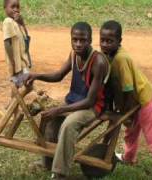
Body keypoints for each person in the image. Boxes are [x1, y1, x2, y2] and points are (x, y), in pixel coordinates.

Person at [25, 22, 110, 180]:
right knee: (50, 121)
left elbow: (90, 101)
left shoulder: (98, 62)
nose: (78, 44)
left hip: (92, 107)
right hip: (73, 101)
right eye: (75, 39)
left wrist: (60, 109)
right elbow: (59, 75)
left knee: (68, 125)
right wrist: (37, 75)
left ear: (90, 40)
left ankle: (60, 173)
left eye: (82, 40)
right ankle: (48, 163)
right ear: (71, 39)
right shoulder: (73, 55)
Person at [99, 20, 152, 180]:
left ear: (119, 41)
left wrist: (127, 112)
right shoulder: (108, 56)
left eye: (110, 41)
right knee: (131, 131)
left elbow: (127, 89)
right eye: (102, 40)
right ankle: (129, 157)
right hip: (133, 101)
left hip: (142, 100)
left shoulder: (121, 59)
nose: (105, 44)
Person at [3, 0, 31, 88]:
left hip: (22, 62)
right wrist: (13, 62)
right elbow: (7, 42)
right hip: (16, 64)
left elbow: (26, 38)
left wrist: (22, 24)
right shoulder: (8, 21)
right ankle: (14, 101)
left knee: (21, 86)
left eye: (18, 7)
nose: (16, 9)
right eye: (13, 7)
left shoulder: (16, 23)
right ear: (5, 9)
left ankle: (15, 101)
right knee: (20, 86)